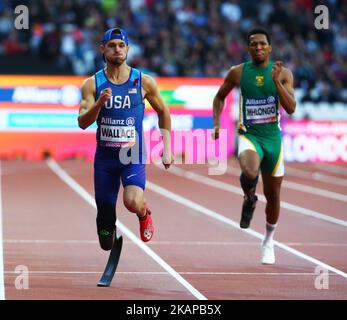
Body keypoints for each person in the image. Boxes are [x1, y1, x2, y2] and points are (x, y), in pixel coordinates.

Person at [78, 28, 172, 250]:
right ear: (103, 49)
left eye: (121, 45)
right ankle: (108, 226)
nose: (117, 49)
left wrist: (166, 148)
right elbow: (82, 122)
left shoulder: (143, 81)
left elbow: (164, 112)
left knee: (131, 202)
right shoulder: (92, 84)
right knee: (105, 236)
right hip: (106, 159)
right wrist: (99, 104)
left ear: (128, 49)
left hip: (133, 155)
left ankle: (144, 211)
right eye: (112, 46)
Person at [212, 29, 296, 264]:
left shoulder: (284, 74)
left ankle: (268, 241)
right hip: (249, 136)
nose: (258, 47)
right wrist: (217, 123)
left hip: (273, 140)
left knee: (274, 196)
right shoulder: (238, 72)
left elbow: (290, 108)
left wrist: (277, 82)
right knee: (249, 171)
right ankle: (249, 197)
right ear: (248, 49)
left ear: (269, 48)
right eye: (254, 44)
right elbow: (219, 97)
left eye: (262, 44)